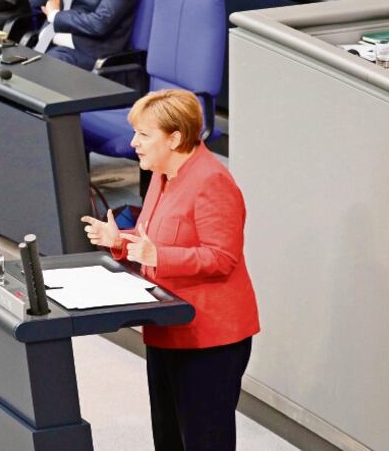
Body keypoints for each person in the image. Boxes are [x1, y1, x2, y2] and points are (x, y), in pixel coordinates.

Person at [83, 89, 259, 451]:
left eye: (144, 135)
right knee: (168, 439)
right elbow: (157, 237)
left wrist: (157, 254)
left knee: (204, 441)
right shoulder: (162, 176)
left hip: (209, 340)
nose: (134, 143)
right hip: (167, 328)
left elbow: (221, 257)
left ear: (175, 138)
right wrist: (119, 239)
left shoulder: (212, 182)